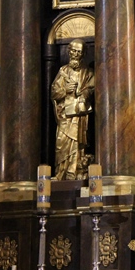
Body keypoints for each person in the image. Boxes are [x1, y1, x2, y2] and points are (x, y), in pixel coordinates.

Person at [51, 39, 95, 180]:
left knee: (76, 143)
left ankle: (73, 171)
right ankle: (61, 172)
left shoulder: (88, 72)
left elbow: (91, 88)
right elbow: (54, 92)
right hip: (64, 114)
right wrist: (65, 90)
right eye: (73, 51)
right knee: (61, 143)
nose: (75, 54)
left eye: (79, 52)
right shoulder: (63, 71)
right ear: (69, 51)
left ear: (83, 54)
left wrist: (83, 94)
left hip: (78, 114)